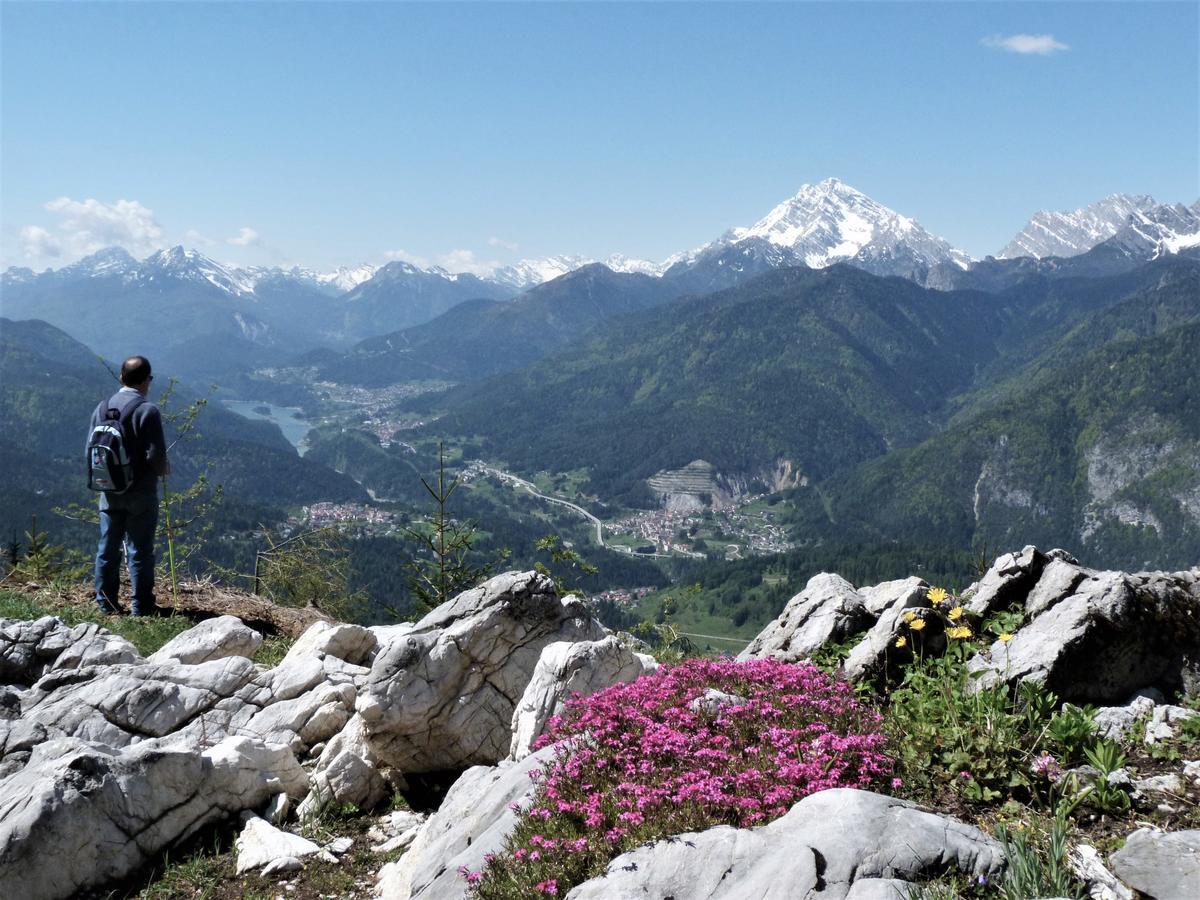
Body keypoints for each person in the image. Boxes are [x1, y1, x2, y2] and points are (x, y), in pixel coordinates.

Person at [90, 356, 170, 615]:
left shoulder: (102, 408)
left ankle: (105, 603)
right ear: (147, 380)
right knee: (140, 550)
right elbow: (155, 456)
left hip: (109, 489)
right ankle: (141, 606)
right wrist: (163, 469)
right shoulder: (148, 411)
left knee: (107, 547)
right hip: (141, 492)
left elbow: (91, 448)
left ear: (121, 378)